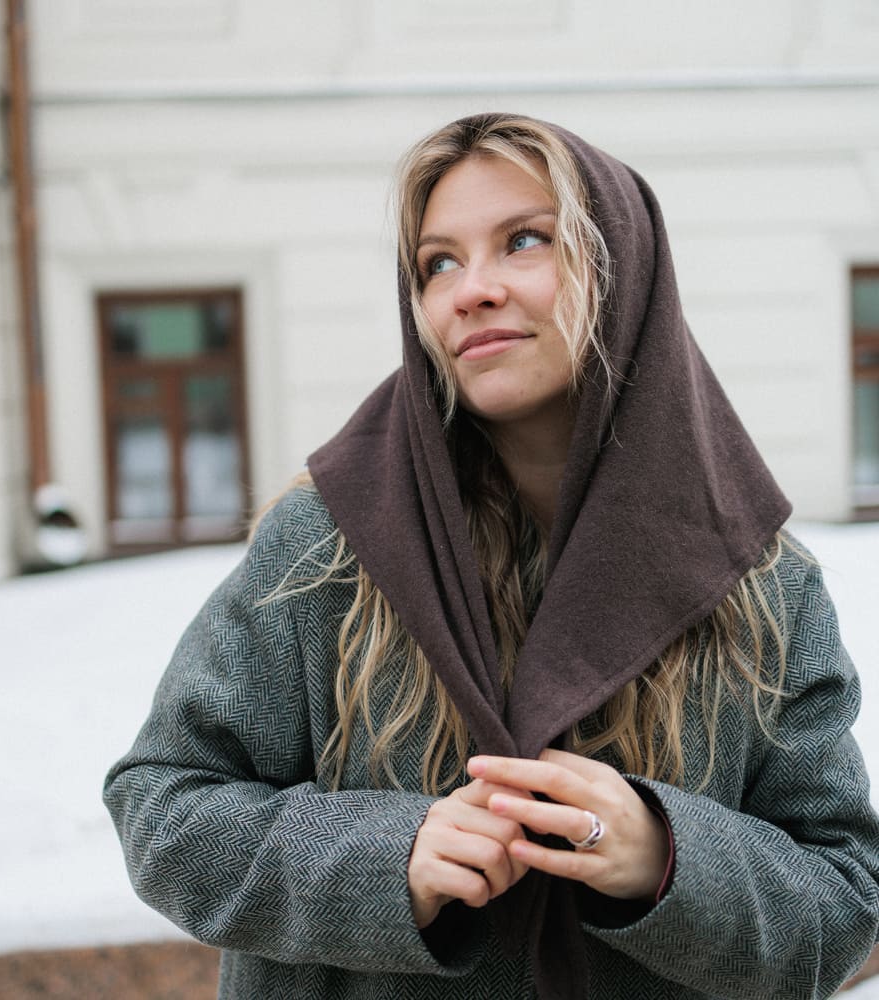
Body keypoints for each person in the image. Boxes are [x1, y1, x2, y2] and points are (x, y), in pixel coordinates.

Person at [103, 113, 879, 999]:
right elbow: (163, 809)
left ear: (621, 268)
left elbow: (845, 899)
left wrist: (668, 858)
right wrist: (388, 858)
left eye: (524, 241)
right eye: (438, 262)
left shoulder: (759, 581)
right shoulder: (329, 547)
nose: (471, 290)